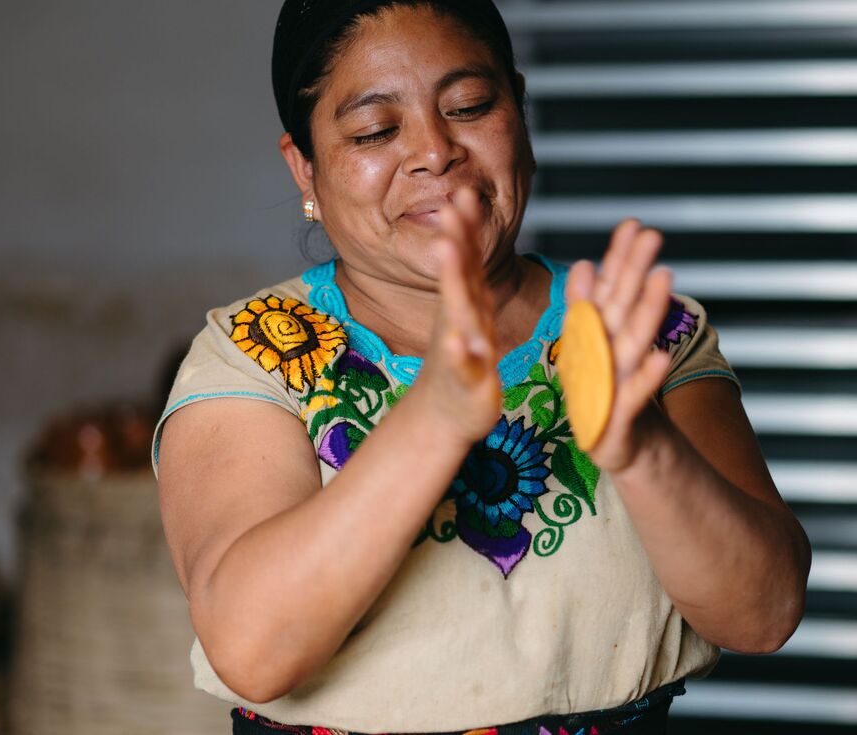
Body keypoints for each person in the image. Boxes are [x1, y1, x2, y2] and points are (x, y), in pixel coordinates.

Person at [152, 1, 812, 733]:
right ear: (304, 165)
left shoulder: (635, 329)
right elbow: (252, 647)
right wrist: (431, 418)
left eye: (468, 106)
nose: (435, 151)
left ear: (519, 117)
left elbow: (765, 613)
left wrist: (643, 449)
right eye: (376, 129)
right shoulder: (255, 352)